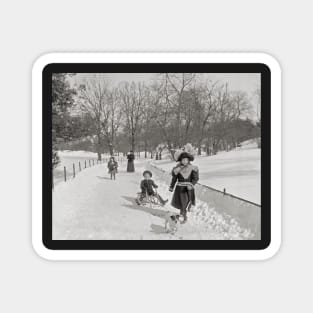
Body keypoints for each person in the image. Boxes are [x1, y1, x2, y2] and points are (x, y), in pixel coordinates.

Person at [169, 151, 199, 223]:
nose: (185, 161)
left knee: (186, 203)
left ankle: (182, 216)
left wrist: (191, 184)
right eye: (183, 160)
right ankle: (183, 217)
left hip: (189, 189)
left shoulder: (192, 168)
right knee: (182, 203)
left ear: (188, 160)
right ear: (181, 160)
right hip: (180, 189)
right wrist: (171, 186)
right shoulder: (177, 169)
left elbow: (195, 178)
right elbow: (174, 179)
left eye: (186, 160)